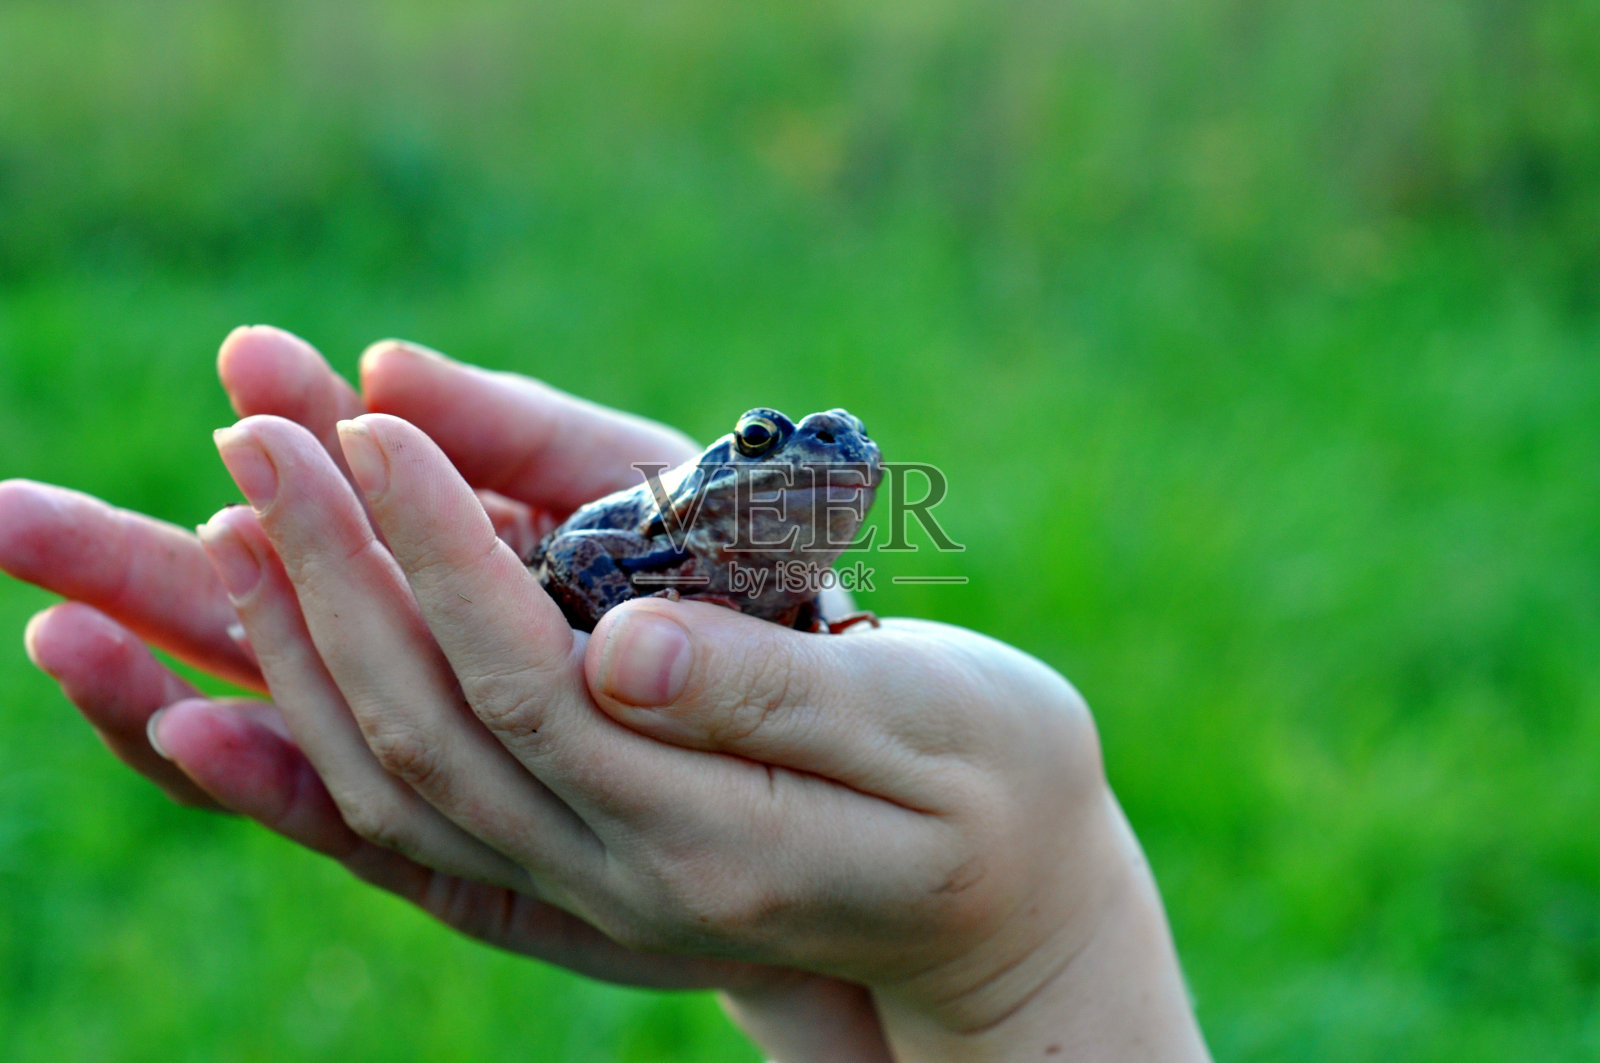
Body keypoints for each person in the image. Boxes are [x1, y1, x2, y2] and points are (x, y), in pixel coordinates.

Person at [0, 326, 1211, 1062]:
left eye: (840, 459)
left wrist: (1024, 938)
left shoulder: (799, 583)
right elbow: (574, 559)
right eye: (770, 442)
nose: (812, 466)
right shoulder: (663, 530)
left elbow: (822, 615)